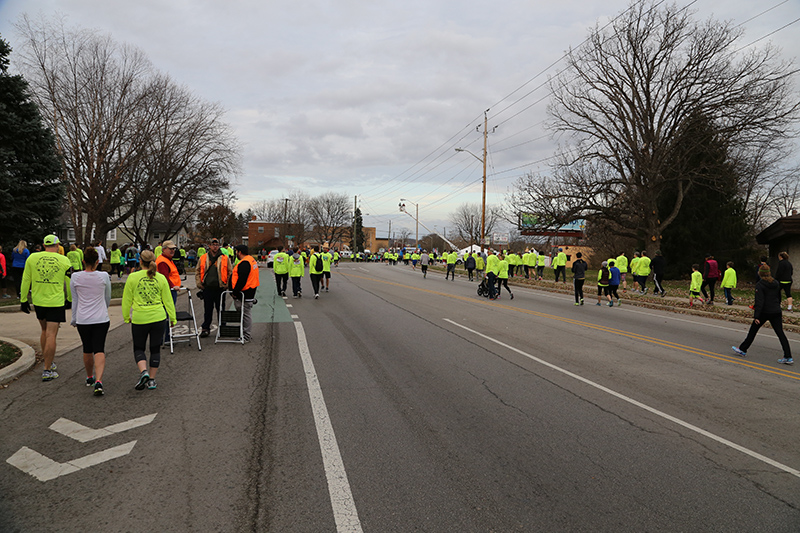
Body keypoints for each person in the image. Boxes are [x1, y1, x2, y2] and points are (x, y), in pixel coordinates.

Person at [20, 235, 73, 381]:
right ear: (57, 246)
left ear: (44, 245)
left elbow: (26, 279)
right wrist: (70, 299)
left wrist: (23, 299)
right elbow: (69, 281)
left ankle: (48, 361)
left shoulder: (32, 258)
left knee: (44, 331)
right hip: (55, 301)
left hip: (38, 300)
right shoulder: (64, 260)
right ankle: (47, 369)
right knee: (51, 334)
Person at [122, 250, 176, 390]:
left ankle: (143, 371)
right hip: (158, 317)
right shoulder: (161, 278)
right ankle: (152, 380)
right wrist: (173, 317)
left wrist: (126, 316)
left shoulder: (133, 277)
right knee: (155, 348)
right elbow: (168, 300)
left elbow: (127, 300)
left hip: (140, 318)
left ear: (140, 261)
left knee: (139, 348)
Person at [70, 247, 111, 396]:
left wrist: (74, 318)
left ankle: (89, 377)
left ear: (83, 261)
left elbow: (74, 299)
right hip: (101, 318)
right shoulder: (104, 276)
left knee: (87, 348)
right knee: (99, 348)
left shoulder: (75, 277)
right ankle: (99, 380)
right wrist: (103, 309)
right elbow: (108, 297)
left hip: (83, 318)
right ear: (97, 261)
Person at [732, 264, 792, 364]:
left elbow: (760, 301)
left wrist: (756, 316)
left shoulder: (760, 285)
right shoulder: (776, 283)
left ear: (759, 273)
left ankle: (743, 349)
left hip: (764, 312)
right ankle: (788, 356)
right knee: (780, 333)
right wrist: (777, 306)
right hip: (776, 311)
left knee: (753, 331)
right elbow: (779, 297)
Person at [196, 238, 231, 338]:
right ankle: (206, 328)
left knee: (221, 309)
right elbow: (198, 271)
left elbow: (230, 272)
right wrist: (199, 283)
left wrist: (226, 284)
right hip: (207, 288)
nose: (215, 246)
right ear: (209, 246)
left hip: (220, 288)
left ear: (219, 246)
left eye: (216, 244)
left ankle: (223, 328)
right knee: (208, 309)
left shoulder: (224, 258)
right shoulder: (203, 258)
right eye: (213, 244)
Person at [231, 245, 259, 342]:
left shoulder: (244, 263)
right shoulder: (251, 260)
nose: (236, 254)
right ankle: (245, 333)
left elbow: (242, 279)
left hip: (245, 292)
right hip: (250, 290)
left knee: (245, 313)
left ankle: (246, 335)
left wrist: (235, 291)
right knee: (245, 313)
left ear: (239, 252)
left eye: (236, 252)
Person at [155, 240, 181, 343]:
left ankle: (165, 337)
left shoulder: (167, 259)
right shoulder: (163, 261)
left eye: (173, 249)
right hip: (168, 291)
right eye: (170, 249)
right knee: (167, 314)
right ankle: (165, 338)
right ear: (164, 249)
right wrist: (173, 286)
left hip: (171, 290)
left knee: (167, 314)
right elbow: (164, 277)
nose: (172, 251)